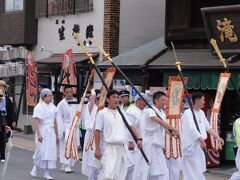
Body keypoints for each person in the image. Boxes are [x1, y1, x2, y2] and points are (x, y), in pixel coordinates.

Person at [132, 91, 179, 180]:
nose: (164, 102)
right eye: (163, 100)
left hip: (157, 145)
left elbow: (164, 128)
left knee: (160, 169)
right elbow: (159, 121)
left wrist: (172, 133)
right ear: (156, 100)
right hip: (149, 144)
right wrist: (174, 129)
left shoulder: (162, 112)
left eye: (165, 100)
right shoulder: (150, 110)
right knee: (145, 169)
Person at [181, 92, 224, 180]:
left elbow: (208, 127)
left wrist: (217, 137)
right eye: (203, 100)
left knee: (198, 169)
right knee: (191, 170)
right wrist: (201, 140)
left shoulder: (201, 113)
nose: (204, 102)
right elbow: (192, 129)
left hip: (199, 146)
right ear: (197, 100)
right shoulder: (188, 113)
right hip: (191, 146)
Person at [94, 90, 128, 180]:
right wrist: (97, 149)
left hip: (120, 147)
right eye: (114, 97)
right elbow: (97, 131)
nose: (116, 99)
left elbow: (130, 127)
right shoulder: (102, 113)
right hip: (108, 147)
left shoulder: (122, 113)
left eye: (118, 97)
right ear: (108, 100)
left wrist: (138, 139)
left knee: (119, 174)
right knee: (107, 173)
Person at [30, 88, 59, 180]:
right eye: (49, 95)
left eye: (51, 95)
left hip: (51, 132)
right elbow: (37, 121)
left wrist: (57, 134)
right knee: (41, 150)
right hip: (42, 130)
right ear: (44, 97)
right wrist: (39, 134)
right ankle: (35, 166)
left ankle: (47, 173)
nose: (51, 97)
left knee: (50, 152)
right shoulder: (39, 107)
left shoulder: (53, 107)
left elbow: (55, 122)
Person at [57, 85, 80, 173]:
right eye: (67, 92)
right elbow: (59, 118)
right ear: (64, 93)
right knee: (66, 146)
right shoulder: (61, 104)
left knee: (73, 146)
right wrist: (61, 130)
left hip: (74, 127)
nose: (69, 94)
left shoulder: (76, 102)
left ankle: (66, 164)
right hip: (65, 127)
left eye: (71, 92)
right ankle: (67, 165)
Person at [124, 93, 146, 180]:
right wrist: (130, 141)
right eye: (144, 101)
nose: (146, 103)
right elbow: (129, 127)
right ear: (138, 101)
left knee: (140, 166)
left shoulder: (145, 111)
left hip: (142, 142)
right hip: (132, 143)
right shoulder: (131, 111)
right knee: (131, 166)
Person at [82, 89, 100, 180]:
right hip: (90, 135)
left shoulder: (102, 108)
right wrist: (93, 90)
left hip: (99, 135)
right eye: (98, 98)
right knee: (91, 159)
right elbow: (92, 98)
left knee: (98, 160)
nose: (99, 100)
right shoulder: (90, 105)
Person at [0, 80, 16, 163]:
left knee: (3, 139)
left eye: (2, 86)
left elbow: (12, 111)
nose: (1, 88)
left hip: (5, 121)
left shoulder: (7, 99)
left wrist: (13, 120)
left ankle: (2, 156)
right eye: (0, 86)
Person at [0, 89, 11, 163]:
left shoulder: (4, 101)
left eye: (1, 95)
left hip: (1, 122)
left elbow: (4, 114)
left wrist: (6, 125)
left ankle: (3, 156)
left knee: (2, 140)